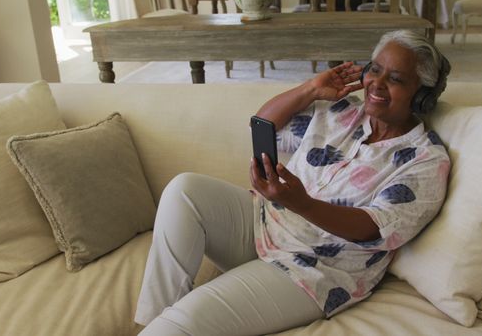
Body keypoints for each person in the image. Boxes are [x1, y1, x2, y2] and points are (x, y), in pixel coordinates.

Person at [135, 29, 452, 336]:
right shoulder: (342, 111)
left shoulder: (425, 161)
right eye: (375, 70)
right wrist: (311, 89)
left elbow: (375, 228)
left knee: (182, 321)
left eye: (395, 79)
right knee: (184, 189)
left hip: (315, 270)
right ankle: (152, 321)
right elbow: (262, 126)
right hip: (264, 222)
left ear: (421, 97)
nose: (377, 84)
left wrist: (302, 203)